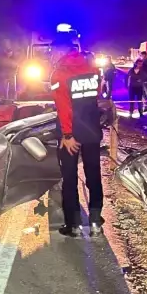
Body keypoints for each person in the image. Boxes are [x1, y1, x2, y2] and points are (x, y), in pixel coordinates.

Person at [49, 41, 105, 238]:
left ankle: (73, 224)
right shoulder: (93, 70)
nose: (50, 55)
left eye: (52, 51)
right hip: (91, 130)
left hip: (71, 134)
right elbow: (96, 95)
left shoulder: (59, 74)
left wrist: (67, 135)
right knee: (94, 175)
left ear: (61, 51)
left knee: (70, 177)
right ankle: (96, 221)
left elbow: (64, 107)